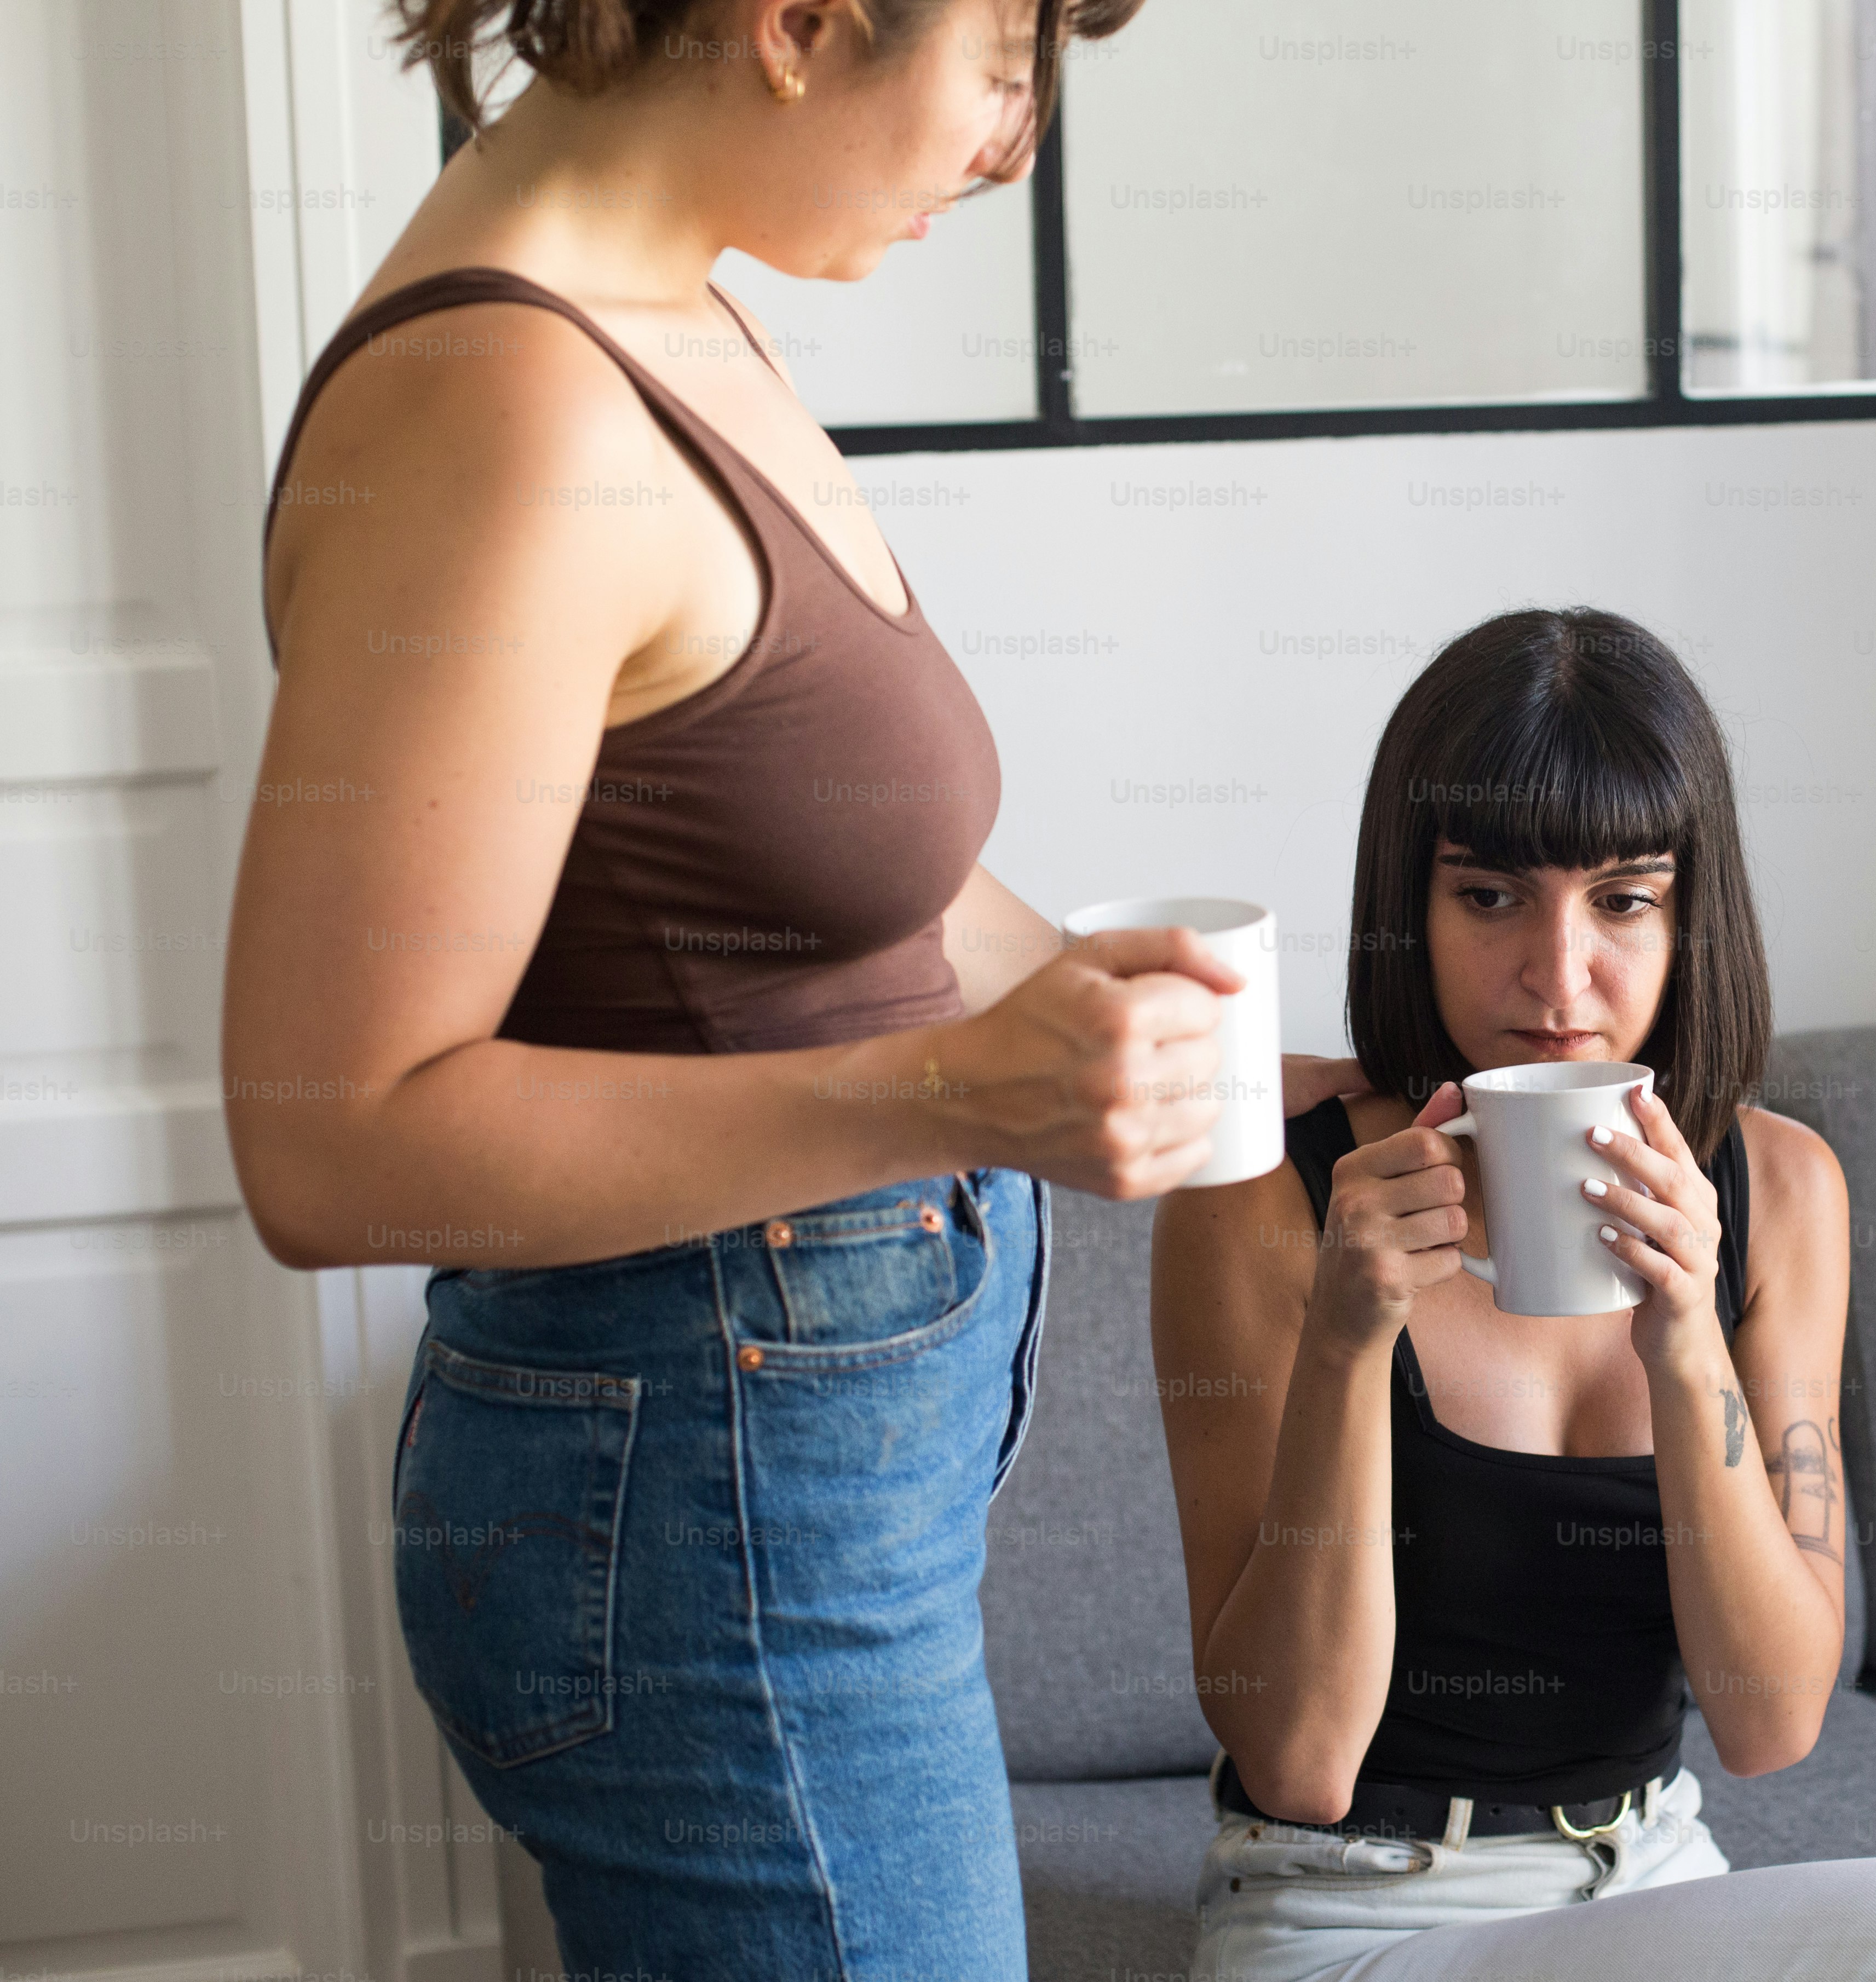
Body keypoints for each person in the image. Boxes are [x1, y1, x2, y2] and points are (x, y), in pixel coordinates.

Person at [222, 1, 1360, 1971]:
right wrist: (941, 1101)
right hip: (707, 1536)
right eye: (1009, 54)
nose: (1018, 142)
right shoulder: (514, 406)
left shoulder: (668, 317)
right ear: (804, 22)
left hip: (779, 1509)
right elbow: (333, 1139)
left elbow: (824, 891)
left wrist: (1209, 1046)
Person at [1148, 609, 1876, 1981]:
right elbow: (1298, 1760)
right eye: (1489, 895)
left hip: (1651, 1879)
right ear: (1407, 907)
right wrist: (1350, 1340)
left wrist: (1686, 1339)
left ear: (1688, 913)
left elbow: (1772, 1721)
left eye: (1624, 898)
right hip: (1347, 1913)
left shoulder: (1780, 1190)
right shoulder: (1266, 1202)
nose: (1559, 974)